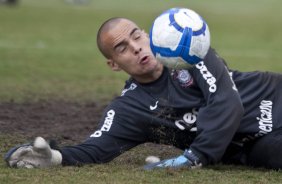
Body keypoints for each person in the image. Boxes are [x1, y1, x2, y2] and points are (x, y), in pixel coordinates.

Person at [5, 17, 282, 170]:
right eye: (122, 47)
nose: (136, 47)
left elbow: (227, 103)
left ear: (148, 36)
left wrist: (195, 155)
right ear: (113, 65)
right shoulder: (129, 108)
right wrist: (55, 157)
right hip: (255, 145)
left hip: (275, 97)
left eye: (136, 36)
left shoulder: (187, 51)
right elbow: (97, 148)